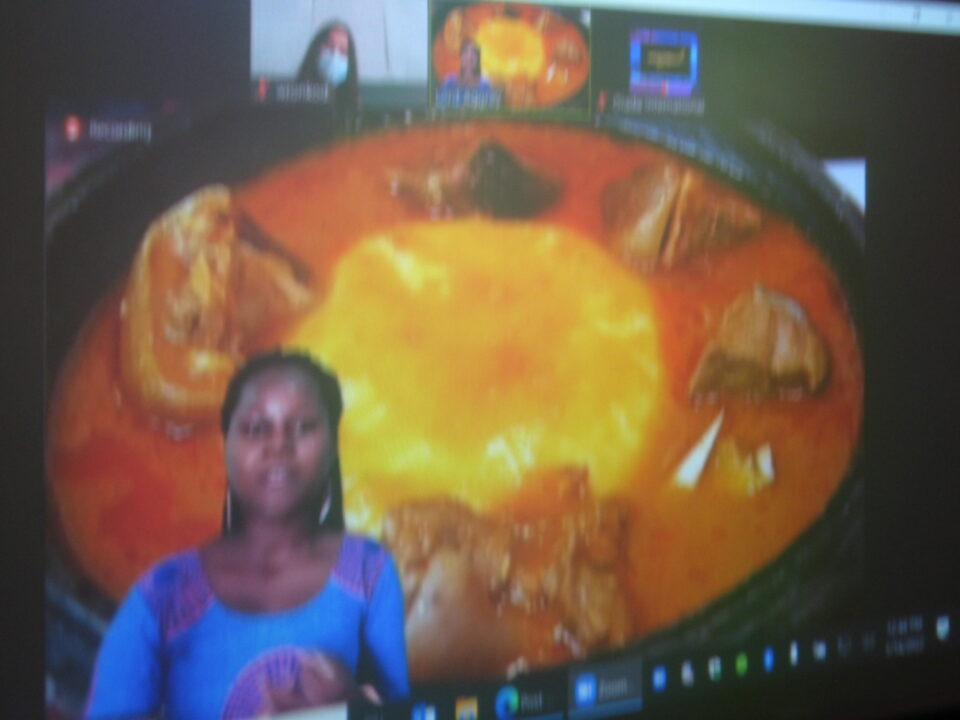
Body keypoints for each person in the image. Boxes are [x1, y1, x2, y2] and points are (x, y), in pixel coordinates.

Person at [85, 351, 409, 720]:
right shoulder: (164, 592)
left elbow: (418, 709)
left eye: (304, 426)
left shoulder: (370, 570)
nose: (279, 445)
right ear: (226, 443)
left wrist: (355, 710)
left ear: (333, 444)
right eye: (256, 428)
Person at [296, 21, 359, 114]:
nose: (334, 55)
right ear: (316, 50)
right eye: (329, 46)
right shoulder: (293, 99)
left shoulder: (354, 109)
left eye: (342, 51)